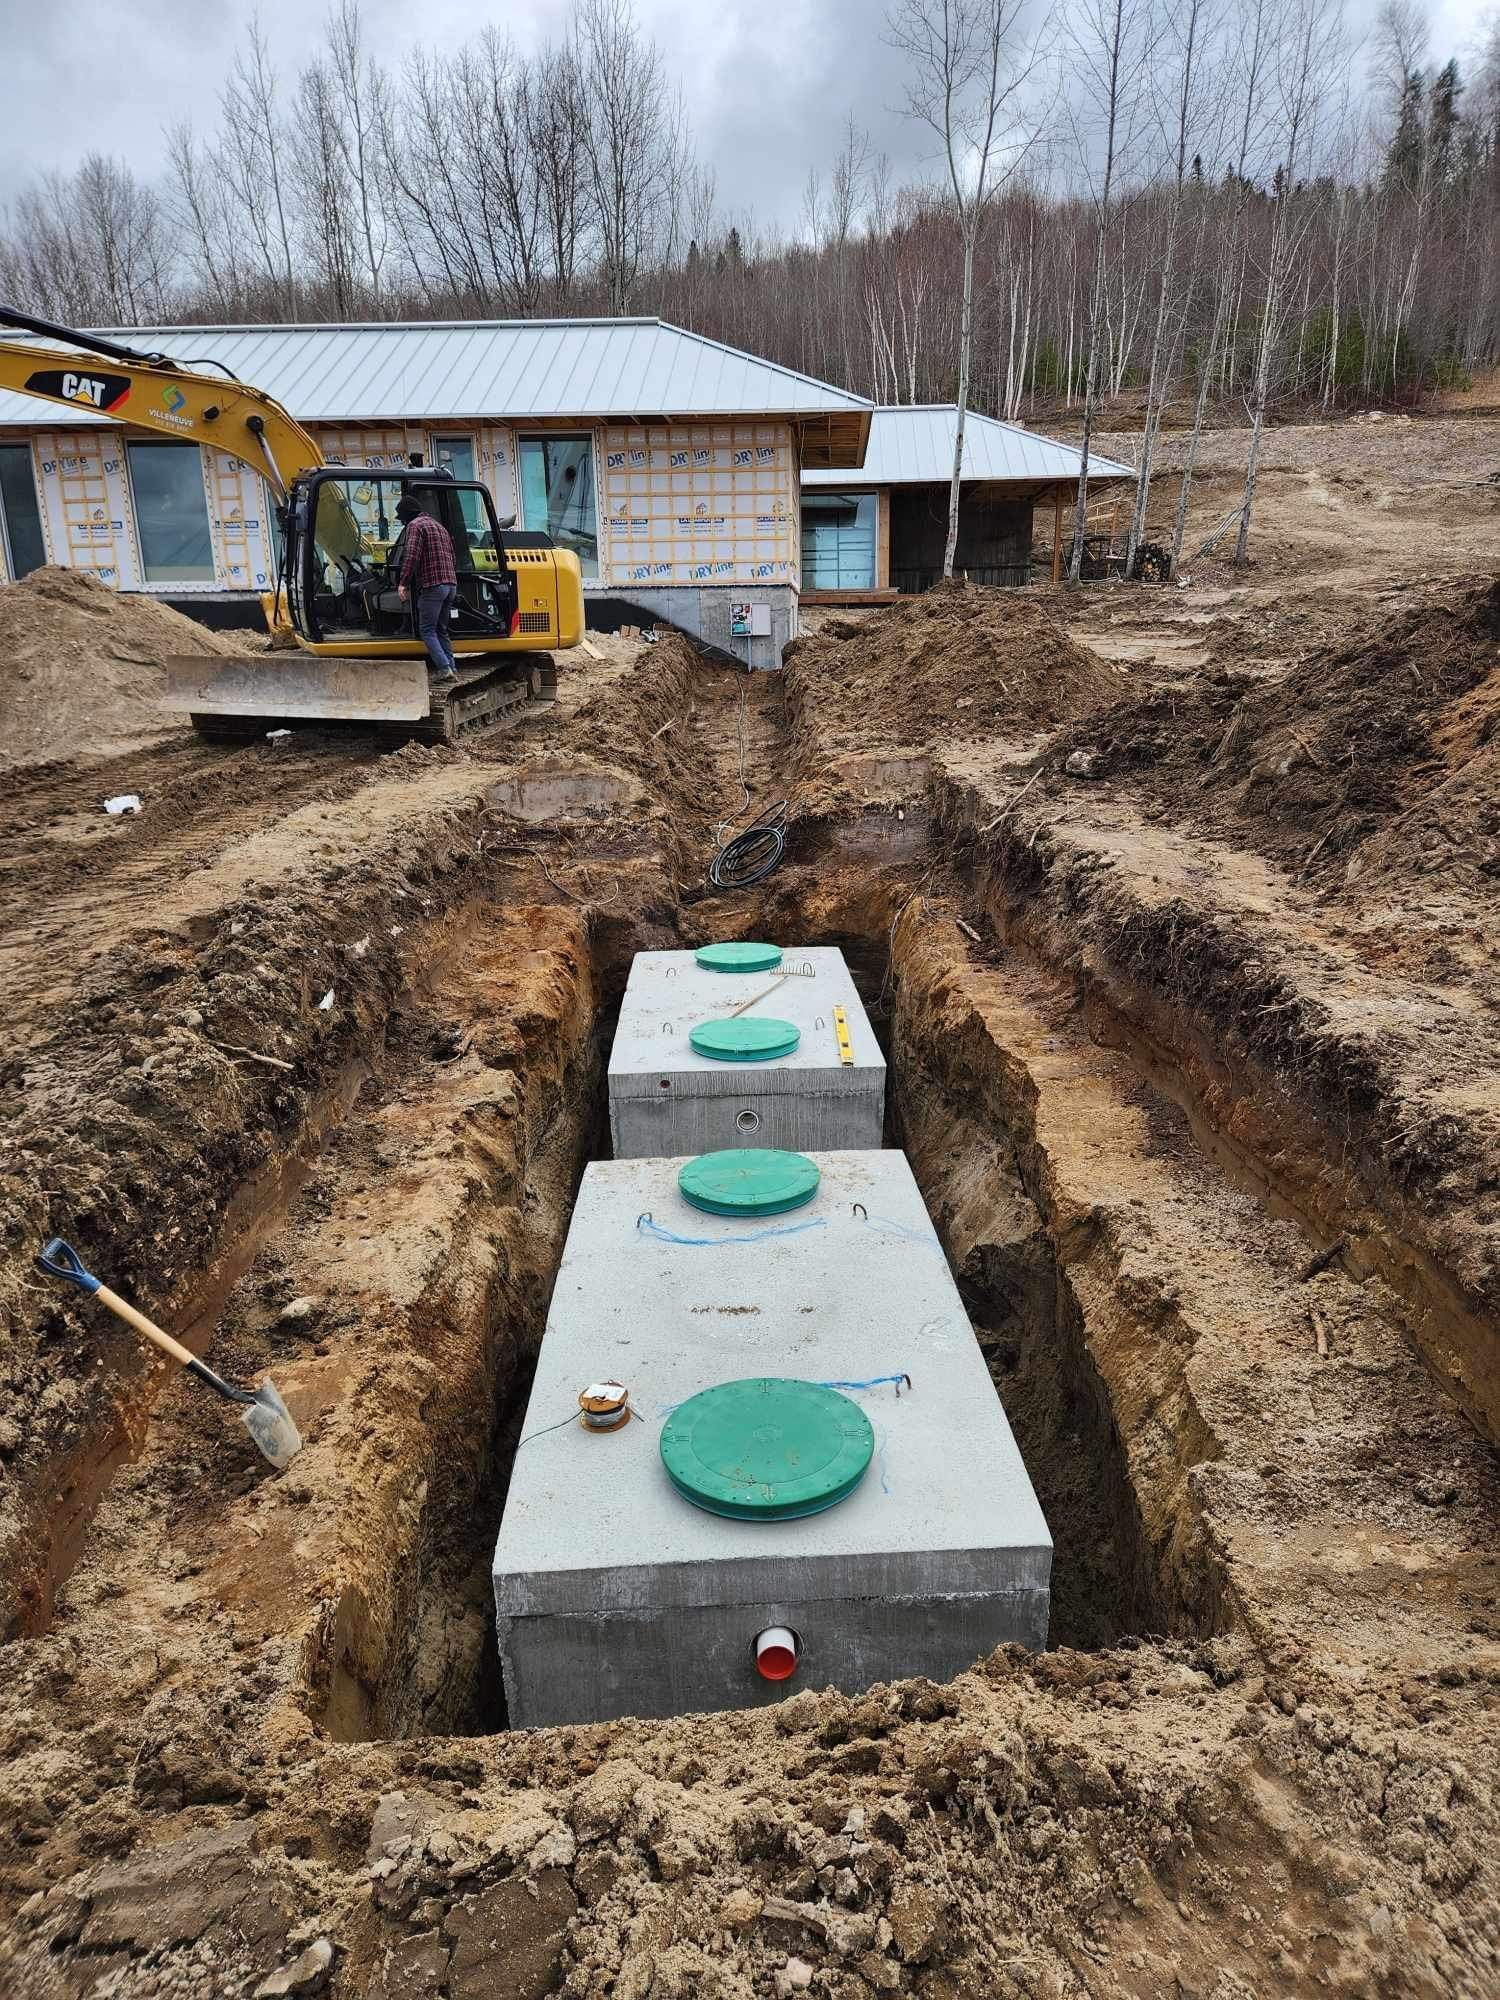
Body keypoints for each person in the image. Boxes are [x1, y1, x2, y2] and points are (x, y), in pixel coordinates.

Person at [394, 493, 459, 682]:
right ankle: (452, 666)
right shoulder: (439, 527)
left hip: (433, 585)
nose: (402, 523)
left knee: (427, 630)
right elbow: (453, 557)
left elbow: (412, 556)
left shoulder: (415, 526)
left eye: (402, 519)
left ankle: (444, 668)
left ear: (407, 515)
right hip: (450, 585)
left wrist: (403, 583)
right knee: (441, 629)